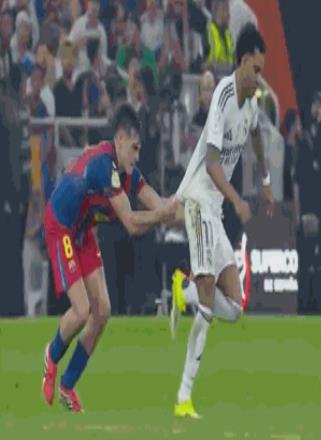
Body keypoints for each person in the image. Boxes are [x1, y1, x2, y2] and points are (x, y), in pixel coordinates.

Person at [41, 104, 178, 412]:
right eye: (134, 148)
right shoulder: (104, 165)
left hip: (83, 231)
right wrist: (162, 216)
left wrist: (190, 212)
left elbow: (159, 203)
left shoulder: (127, 173)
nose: (137, 156)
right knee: (82, 311)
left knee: (102, 311)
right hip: (61, 227)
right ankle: (51, 354)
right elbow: (131, 223)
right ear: (119, 140)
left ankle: (67, 386)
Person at [170, 23, 272, 419]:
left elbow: (258, 137)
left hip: (215, 207)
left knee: (235, 305)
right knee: (211, 306)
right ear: (243, 61)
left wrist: (265, 180)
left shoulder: (251, 104)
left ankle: (185, 292)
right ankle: (183, 397)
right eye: (256, 69)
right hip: (199, 198)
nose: (259, 77)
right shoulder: (224, 95)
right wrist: (238, 201)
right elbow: (213, 163)